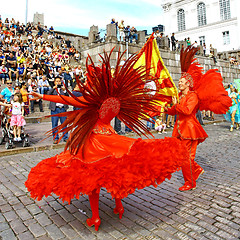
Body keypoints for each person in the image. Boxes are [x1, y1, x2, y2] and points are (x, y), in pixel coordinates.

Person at [25, 51, 188, 231]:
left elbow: (66, 99)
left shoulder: (90, 100)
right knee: (114, 174)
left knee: (92, 180)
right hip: (110, 137)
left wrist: (42, 97)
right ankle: (119, 205)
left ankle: (95, 217)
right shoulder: (115, 100)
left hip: (93, 142)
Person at [165, 46, 231, 191]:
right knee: (181, 156)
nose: (179, 83)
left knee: (186, 158)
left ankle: (190, 182)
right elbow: (175, 111)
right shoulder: (182, 96)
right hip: (180, 130)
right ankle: (195, 171)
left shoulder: (193, 96)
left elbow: (187, 111)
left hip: (190, 130)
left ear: (188, 83)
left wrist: (176, 105)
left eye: (181, 81)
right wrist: (165, 109)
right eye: (180, 81)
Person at [47, 77, 69, 144]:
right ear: (54, 82)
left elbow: (68, 96)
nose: (58, 82)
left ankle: (65, 137)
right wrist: (53, 88)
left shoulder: (63, 90)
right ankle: (55, 138)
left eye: (59, 81)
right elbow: (47, 95)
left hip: (62, 108)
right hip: (55, 109)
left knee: (64, 124)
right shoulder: (53, 90)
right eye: (57, 81)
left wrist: (65, 90)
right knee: (54, 125)